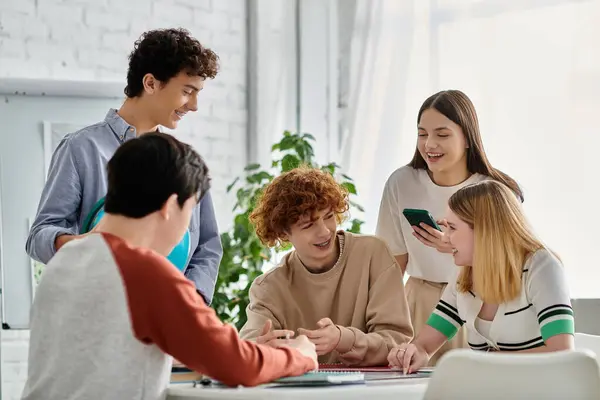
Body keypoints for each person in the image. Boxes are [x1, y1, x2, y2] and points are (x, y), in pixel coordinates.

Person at [21, 133, 318, 400]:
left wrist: (251, 350)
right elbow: (236, 365)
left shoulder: (66, 260)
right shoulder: (144, 272)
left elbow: (104, 356)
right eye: (189, 213)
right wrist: (298, 354)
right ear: (170, 206)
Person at [25, 28, 222, 304]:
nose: (195, 105)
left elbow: (208, 245)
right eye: (187, 91)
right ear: (151, 83)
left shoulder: (185, 164)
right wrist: (87, 244)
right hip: (101, 312)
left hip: (168, 319)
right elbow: (40, 235)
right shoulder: (82, 149)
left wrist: (190, 303)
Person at [376, 90, 523, 365]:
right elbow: (391, 264)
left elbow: (513, 263)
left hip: (477, 302)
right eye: (422, 134)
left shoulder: (496, 192)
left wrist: (456, 247)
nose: (430, 144)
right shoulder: (401, 182)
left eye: (442, 135)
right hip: (417, 303)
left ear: (467, 137)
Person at [387, 180, 574, 373]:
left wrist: (482, 361)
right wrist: (411, 352)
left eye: (452, 227)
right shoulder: (463, 274)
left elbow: (562, 353)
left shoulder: (542, 266)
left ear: (484, 230)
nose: (445, 236)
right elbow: (425, 345)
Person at [238, 166, 413, 366]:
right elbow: (248, 347)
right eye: (308, 225)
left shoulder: (373, 254)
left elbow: (397, 342)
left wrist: (344, 339)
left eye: (329, 216)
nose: (324, 232)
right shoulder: (268, 288)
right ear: (284, 234)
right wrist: (261, 351)